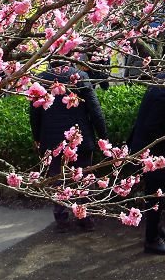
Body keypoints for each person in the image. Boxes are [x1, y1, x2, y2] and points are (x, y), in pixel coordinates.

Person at [30, 58, 108, 232]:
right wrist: (104, 136)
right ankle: (85, 219)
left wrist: (37, 138)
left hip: (51, 140)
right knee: (85, 178)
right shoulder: (80, 76)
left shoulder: (41, 80)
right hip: (81, 138)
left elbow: (34, 115)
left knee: (57, 178)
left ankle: (62, 221)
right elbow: (95, 110)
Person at [128, 48, 165, 255]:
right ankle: (152, 239)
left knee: (157, 194)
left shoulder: (164, 79)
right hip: (154, 152)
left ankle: (157, 228)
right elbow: (153, 125)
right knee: (154, 193)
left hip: (152, 149)